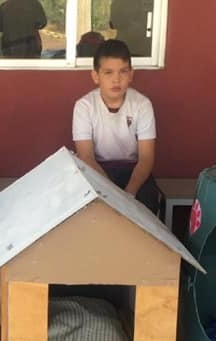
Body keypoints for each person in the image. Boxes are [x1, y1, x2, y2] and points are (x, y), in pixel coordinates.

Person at [72, 39, 160, 213]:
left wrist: (129, 193)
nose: (116, 80)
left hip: (133, 171)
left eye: (123, 72)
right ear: (95, 76)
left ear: (131, 75)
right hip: (97, 170)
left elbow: (146, 158)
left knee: (147, 200)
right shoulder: (84, 106)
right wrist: (113, 195)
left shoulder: (142, 105)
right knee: (86, 207)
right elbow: (86, 157)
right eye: (108, 72)